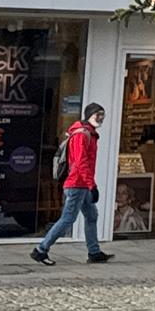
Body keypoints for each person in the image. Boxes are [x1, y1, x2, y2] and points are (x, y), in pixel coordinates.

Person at [32, 104, 113, 266]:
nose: (101, 118)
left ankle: (94, 252)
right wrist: (92, 185)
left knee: (91, 216)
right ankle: (41, 250)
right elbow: (81, 162)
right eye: (98, 115)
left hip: (81, 184)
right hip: (77, 184)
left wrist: (89, 184)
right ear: (89, 115)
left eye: (102, 115)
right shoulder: (82, 135)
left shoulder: (88, 133)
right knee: (68, 219)